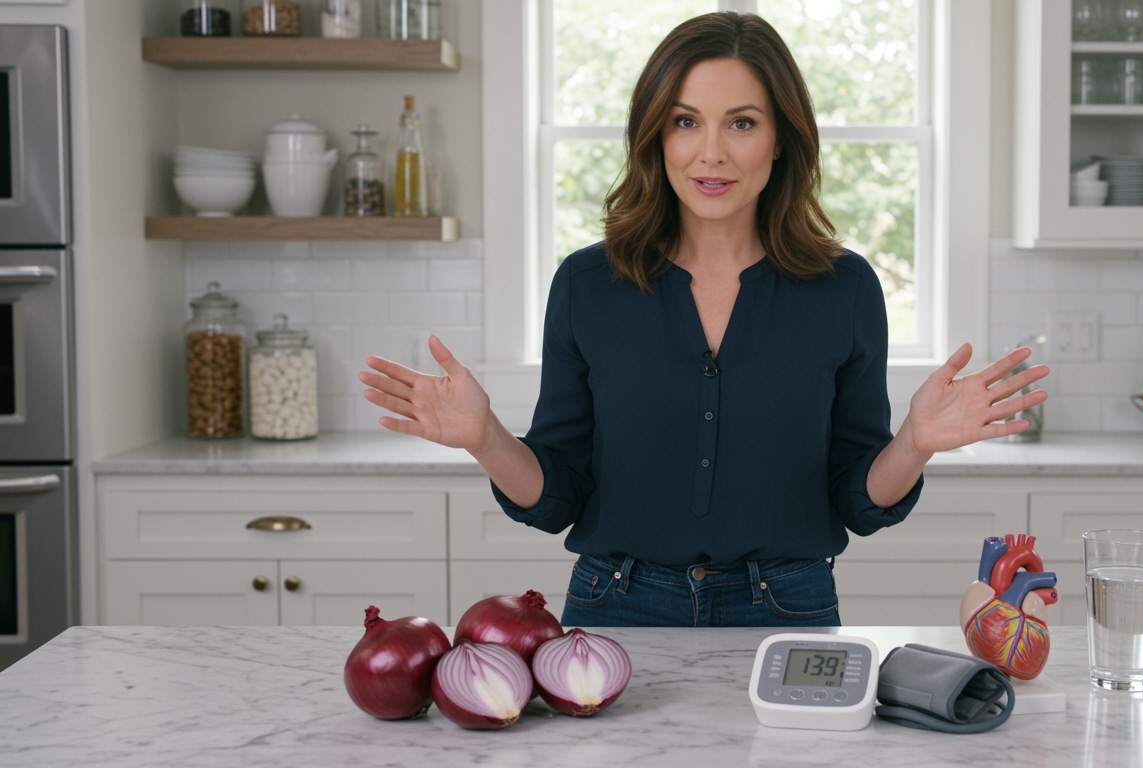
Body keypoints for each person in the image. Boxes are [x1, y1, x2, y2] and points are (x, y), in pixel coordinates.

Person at [358, 12, 1048, 628]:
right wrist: (485, 437)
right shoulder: (587, 284)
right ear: (657, 136)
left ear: (780, 139)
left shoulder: (845, 288)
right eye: (686, 121)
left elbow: (856, 501)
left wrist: (915, 442)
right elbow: (557, 496)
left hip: (789, 607)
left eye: (741, 122)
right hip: (614, 605)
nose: (710, 152)